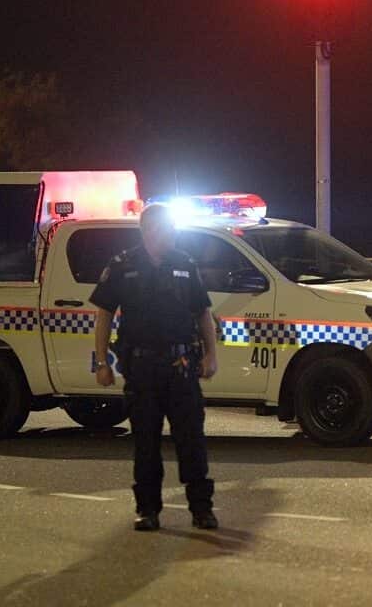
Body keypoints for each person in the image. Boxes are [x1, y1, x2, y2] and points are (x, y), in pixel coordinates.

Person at [89, 203, 220, 532]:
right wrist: (102, 363)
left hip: (181, 366)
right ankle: (147, 510)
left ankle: (201, 509)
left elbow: (203, 313)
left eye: (172, 228)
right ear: (148, 230)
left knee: (191, 440)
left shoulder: (185, 264)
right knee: (145, 443)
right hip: (142, 368)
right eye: (165, 228)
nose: (171, 233)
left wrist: (211, 355)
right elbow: (104, 315)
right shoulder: (123, 265)